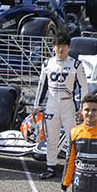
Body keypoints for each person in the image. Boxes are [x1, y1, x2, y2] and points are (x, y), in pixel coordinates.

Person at [37, 34, 86, 179]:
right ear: (53, 48)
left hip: (68, 104)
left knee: (73, 137)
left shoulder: (76, 64)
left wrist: (82, 107)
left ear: (69, 48)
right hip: (51, 104)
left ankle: (74, 168)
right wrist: (36, 105)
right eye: (58, 47)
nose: (61, 50)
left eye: (64, 47)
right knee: (51, 137)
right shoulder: (47, 64)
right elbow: (41, 86)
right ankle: (50, 166)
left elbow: (84, 86)